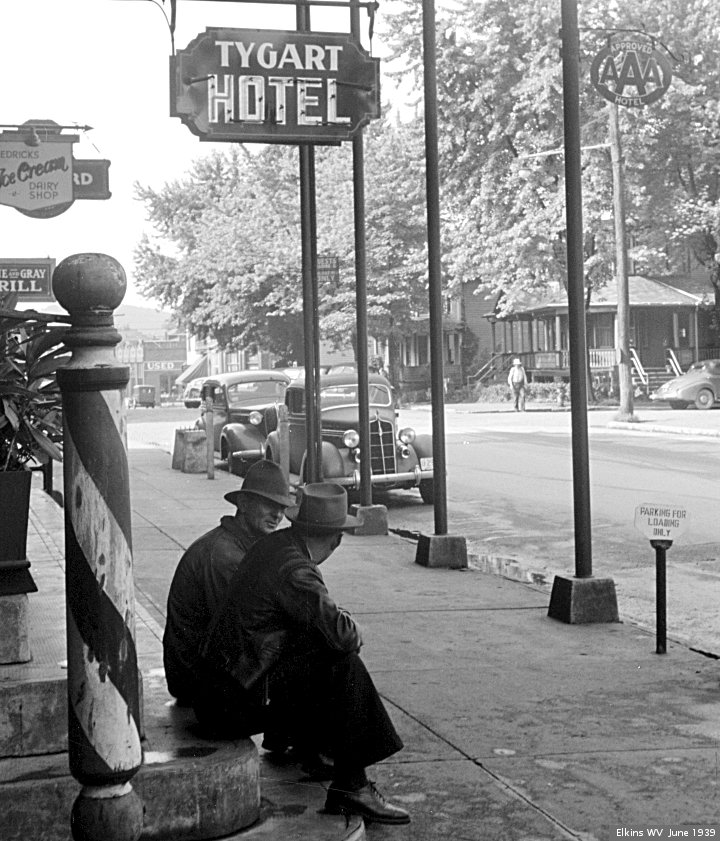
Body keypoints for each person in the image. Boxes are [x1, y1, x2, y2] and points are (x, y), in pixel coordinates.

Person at [196, 483, 411, 826]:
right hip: (231, 704)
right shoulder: (296, 569)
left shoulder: (273, 546)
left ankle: (310, 749)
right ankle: (352, 784)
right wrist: (354, 626)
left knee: (313, 645)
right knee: (342, 665)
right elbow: (342, 636)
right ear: (336, 539)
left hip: (217, 690)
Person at [163, 459, 292, 706]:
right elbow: (245, 628)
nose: (277, 515)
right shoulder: (224, 556)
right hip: (195, 680)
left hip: (203, 671)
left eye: (282, 507)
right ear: (243, 504)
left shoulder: (240, 547)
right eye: (269, 505)